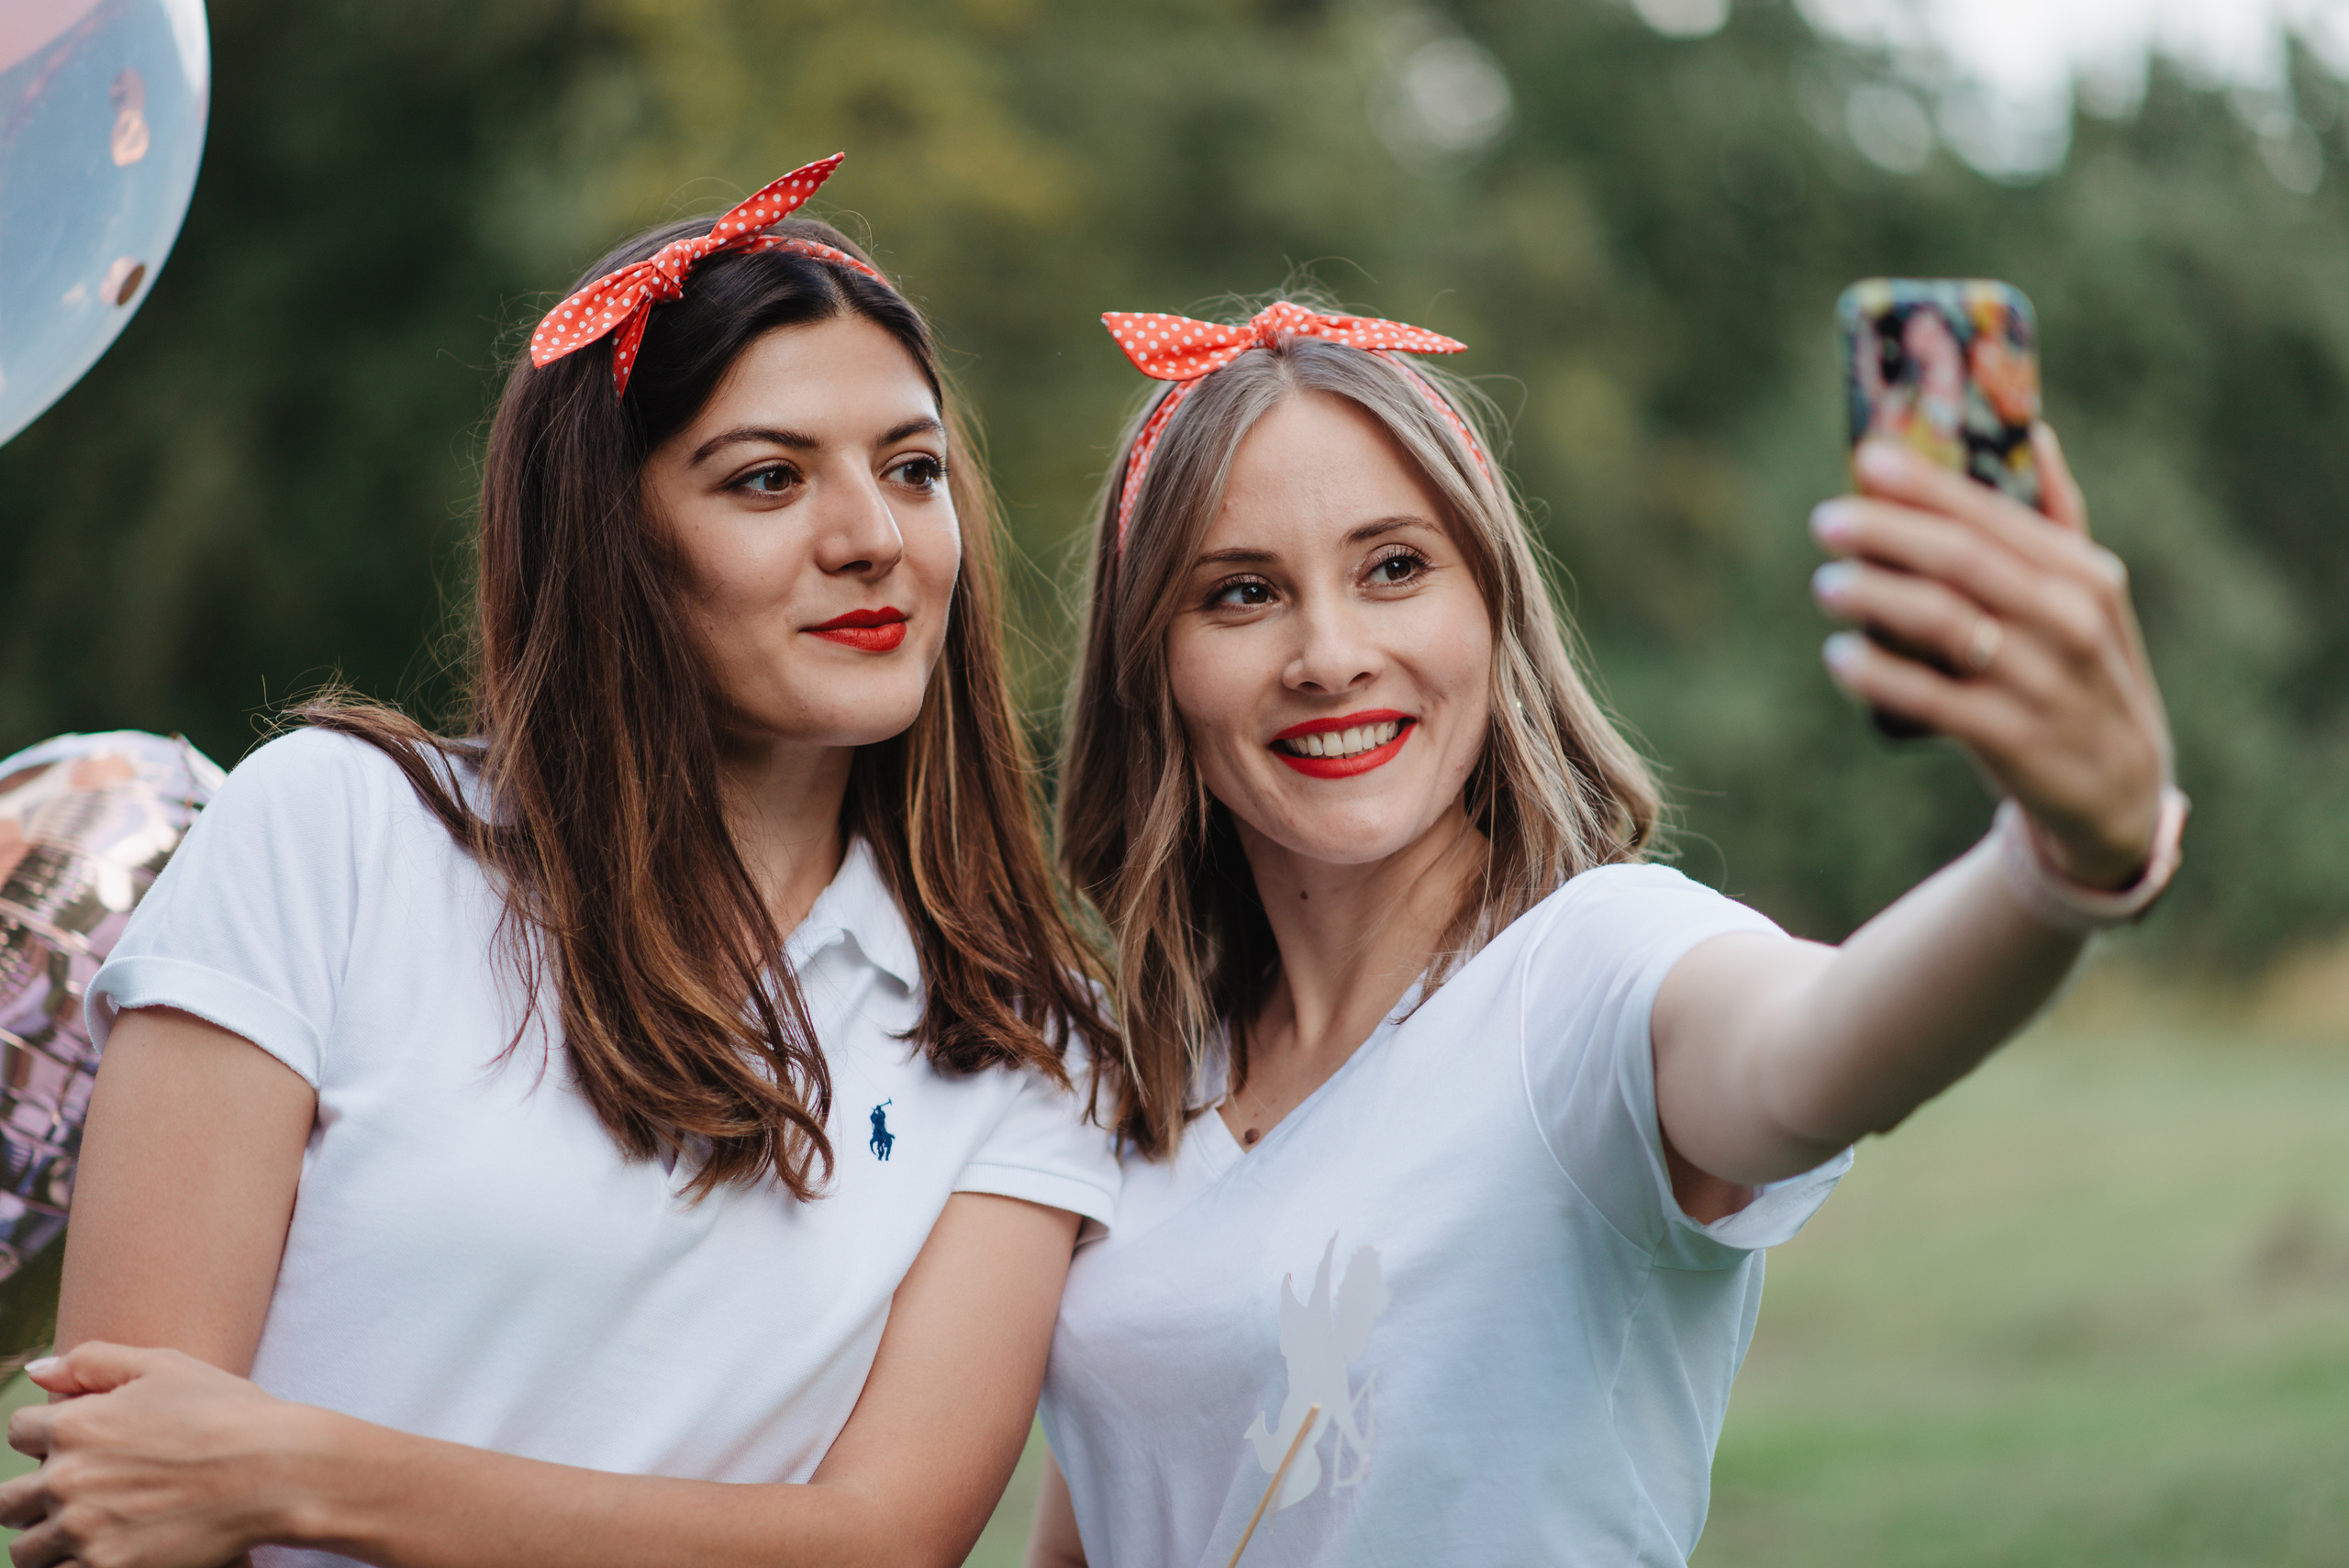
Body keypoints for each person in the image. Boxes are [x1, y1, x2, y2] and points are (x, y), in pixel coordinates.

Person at [0, 154, 1121, 1568]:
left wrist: (298, 1468)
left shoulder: (1024, 1035)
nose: (874, 538)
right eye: (769, 479)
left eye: (912, 468)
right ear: (615, 535)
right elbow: (125, 1487)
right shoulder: (333, 833)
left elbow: (880, 1541)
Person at [1025, 299, 2184, 1567]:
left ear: (1493, 609)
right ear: (1154, 663)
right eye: (1242, 592)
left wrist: (2064, 863)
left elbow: (1817, 1043)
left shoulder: (1587, 971)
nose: (1330, 652)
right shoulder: (1122, 1071)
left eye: (1395, 567)